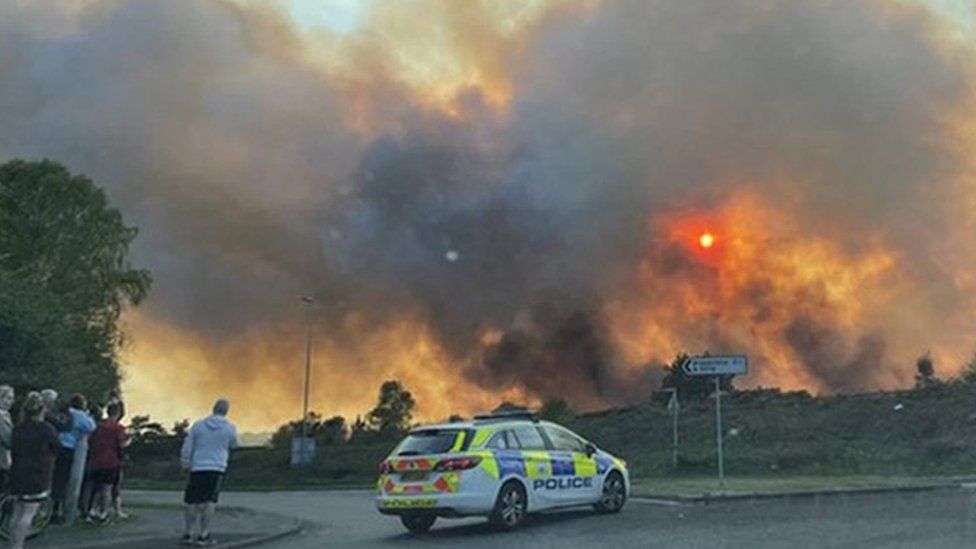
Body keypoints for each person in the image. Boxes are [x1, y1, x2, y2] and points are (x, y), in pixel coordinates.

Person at [180, 398, 238, 546]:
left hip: (197, 467)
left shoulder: (198, 425)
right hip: (216, 468)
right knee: (210, 501)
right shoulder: (229, 428)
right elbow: (234, 444)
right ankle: (203, 534)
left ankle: (188, 532)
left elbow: (188, 446)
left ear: (213, 408)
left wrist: (186, 463)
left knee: (191, 501)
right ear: (226, 411)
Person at [8, 392, 60, 549]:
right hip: (38, 473)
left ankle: (13, 544)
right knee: (28, 513)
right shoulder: (46, 429)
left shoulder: (18, 428)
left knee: (17, 512)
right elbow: (57, 448)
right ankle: (18, 545)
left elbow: (13, 448)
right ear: (42, 409)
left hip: (17, 472)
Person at [50, 394, 95, 524]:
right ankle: (61, 511)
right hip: (69, 448)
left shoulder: (64, 413)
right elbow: (91, 427)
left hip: (57, 446)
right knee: (65, 480)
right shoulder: (80, 416)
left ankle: (53, 509)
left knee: (56, 479)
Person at [87, 402, 127, 523]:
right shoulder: (118, 428)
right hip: (111, 461)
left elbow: (91, 440)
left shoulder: (98, 426)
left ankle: (93, 510)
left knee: (98, 488)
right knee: (107, 488)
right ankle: (104, 513)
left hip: (96, 460)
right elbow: (121, 444)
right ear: (118, 413)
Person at [0, 385, 14, 490]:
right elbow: (7, 439)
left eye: (11, 398)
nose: (10, 401)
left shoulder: (6, 415)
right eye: (8, 398)